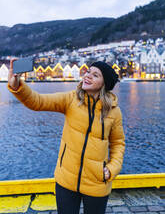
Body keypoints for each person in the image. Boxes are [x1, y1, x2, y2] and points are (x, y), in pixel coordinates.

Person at [8, 59, 125, 214]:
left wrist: (111, 169)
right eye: (88, 72)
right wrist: (17, 86)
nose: (88, 76)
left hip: (97, 182)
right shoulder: (71, 99)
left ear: (105, 84)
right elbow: (37, 101)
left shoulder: (113, 112)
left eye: (95, 75)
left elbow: (118, 143)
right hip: (66, 180)